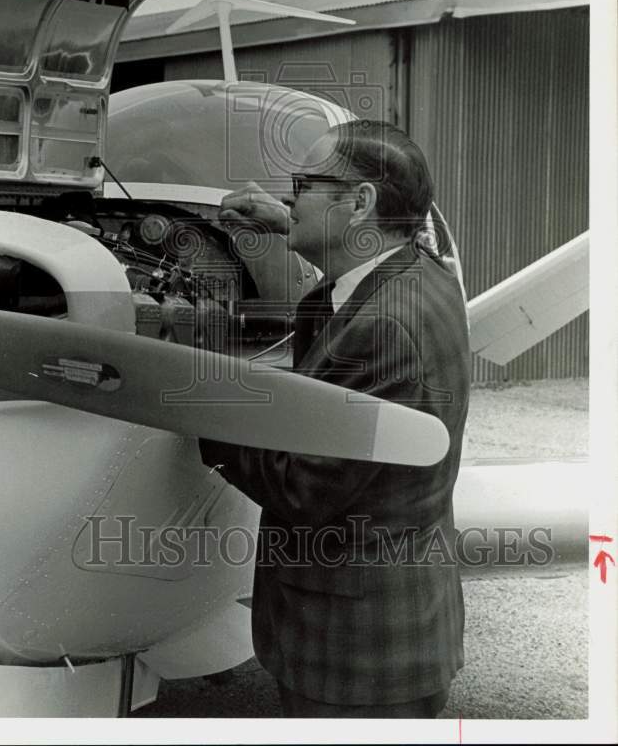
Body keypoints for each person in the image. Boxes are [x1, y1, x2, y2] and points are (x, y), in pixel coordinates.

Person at [199, 119, 470, 718]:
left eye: (304, 185)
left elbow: (306, 484)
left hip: (357, 654)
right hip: (385, 621)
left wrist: (202, 408)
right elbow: (345, 310)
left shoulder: (385, 327)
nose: (289, 197)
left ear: (362, 203)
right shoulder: (420, 277)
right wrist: (302, 225)